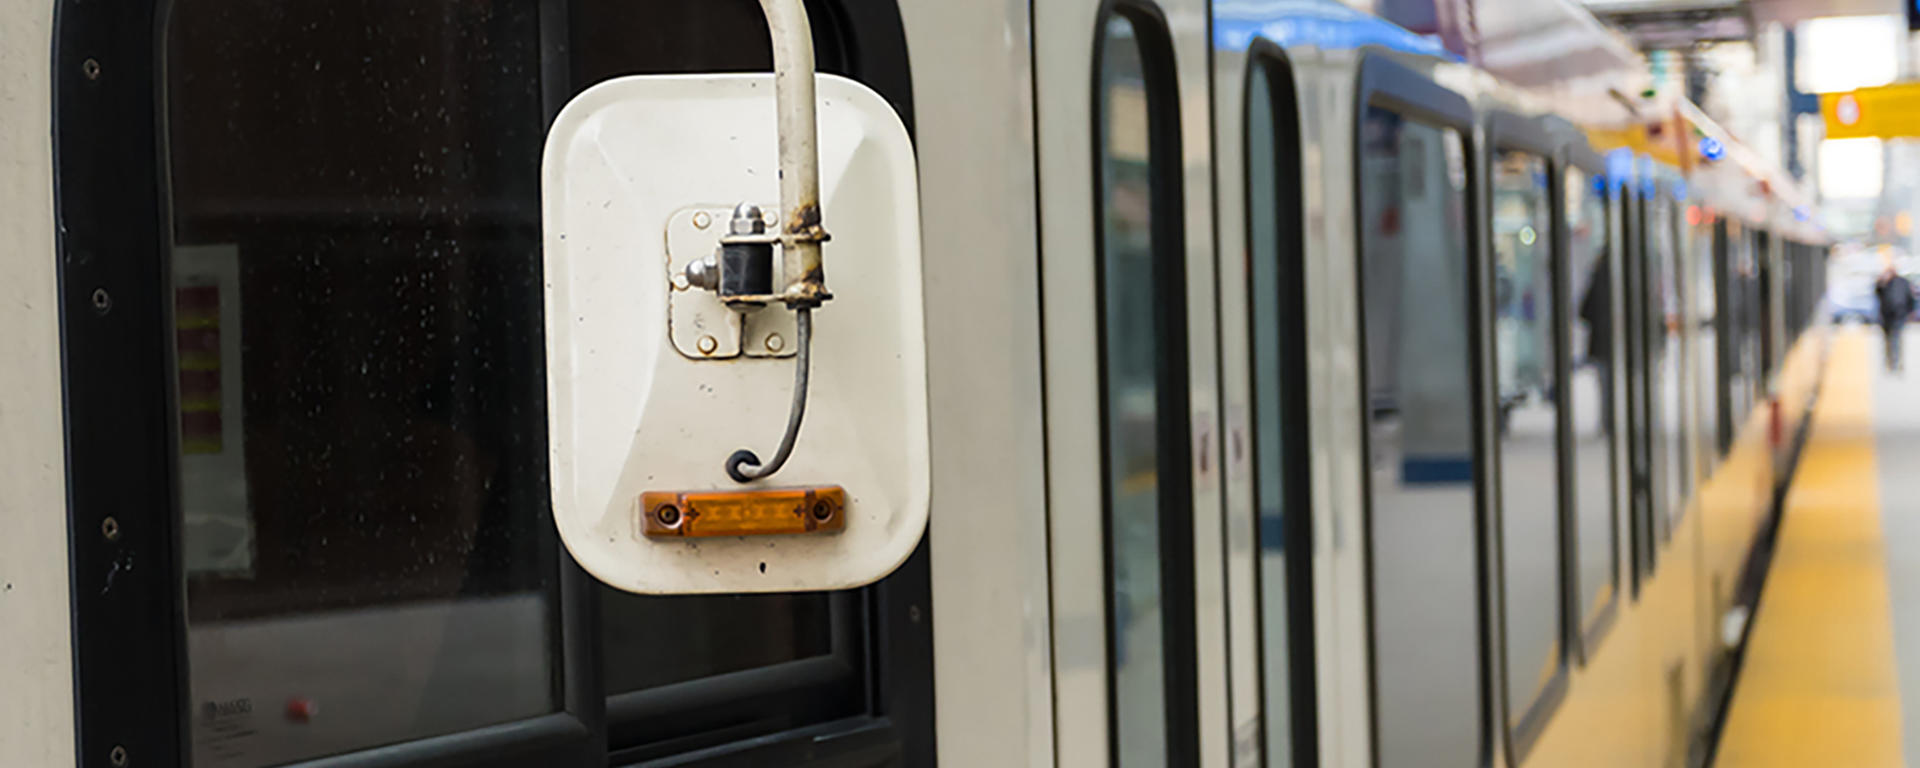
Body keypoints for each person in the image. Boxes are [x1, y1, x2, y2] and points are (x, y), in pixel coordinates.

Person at [1876, 266, 1914, 372]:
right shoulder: (1884, 283)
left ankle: (1896, 362)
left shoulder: (1903, 282)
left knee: (1896, 338)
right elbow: (1878, 293)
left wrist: (1910, 312)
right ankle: (1890, 361)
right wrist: (1881, 281)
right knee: (1888, 340)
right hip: (1886, 316)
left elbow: (1910, 298)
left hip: (1899, 315)